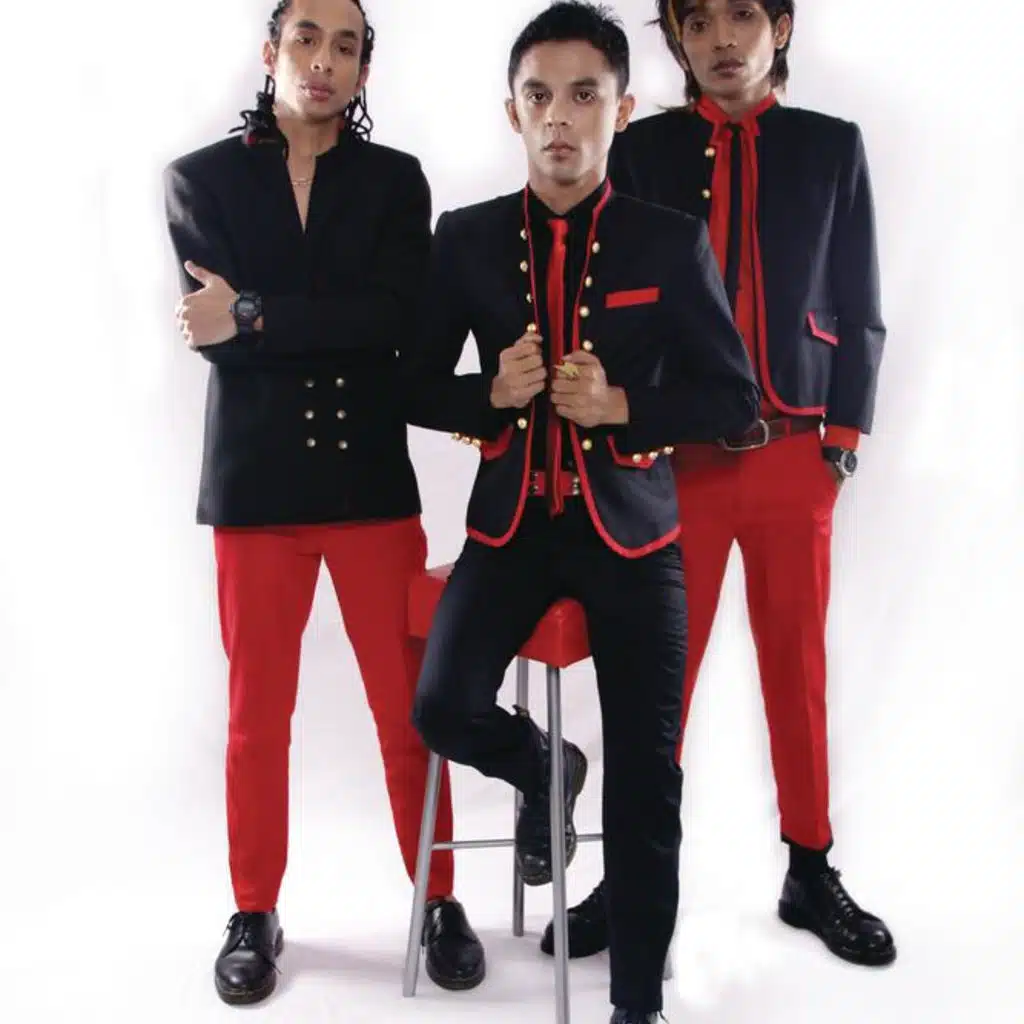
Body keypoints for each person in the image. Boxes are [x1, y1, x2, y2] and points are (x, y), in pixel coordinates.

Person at [402, 3, 760, 1020]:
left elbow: (733, 400)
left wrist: (623, 407)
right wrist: (489, 396)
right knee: (441, 707)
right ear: (512, 112)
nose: (559, 116)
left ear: (622, 109)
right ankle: (546, 765)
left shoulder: (668, 241)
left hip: (634, 534)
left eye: (584, 95)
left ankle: (636, 1003)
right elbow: (411, 386)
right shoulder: (466, 237)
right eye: (539, 96)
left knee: (648, 781)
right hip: (509, 529)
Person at [541, 0, 896, 970]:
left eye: (744, 14)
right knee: (652, 679)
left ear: (780, 25)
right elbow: (604, 289)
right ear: (677, 40)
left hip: (792, 450)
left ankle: (809, 867)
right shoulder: (642, 150)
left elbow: (859, 297)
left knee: (797, 668)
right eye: (698, 22)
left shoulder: (830, 147)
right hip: (674, 456)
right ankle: (631, 873)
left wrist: (841, 438)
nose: (723, 39)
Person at [162, 0, 484, 1005]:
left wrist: (255, 311)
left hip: (367, 484)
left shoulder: (395, 182)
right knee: (256, 720)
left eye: (346, 45)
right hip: (254, 488)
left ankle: (438, 897)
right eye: (306, 37)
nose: (324, 59)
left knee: (410, 711)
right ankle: (253, 909)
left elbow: (391, 325)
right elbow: (211, 338)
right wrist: (286, 325)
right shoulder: (200, 179)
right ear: (272, 52)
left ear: (363, 71)